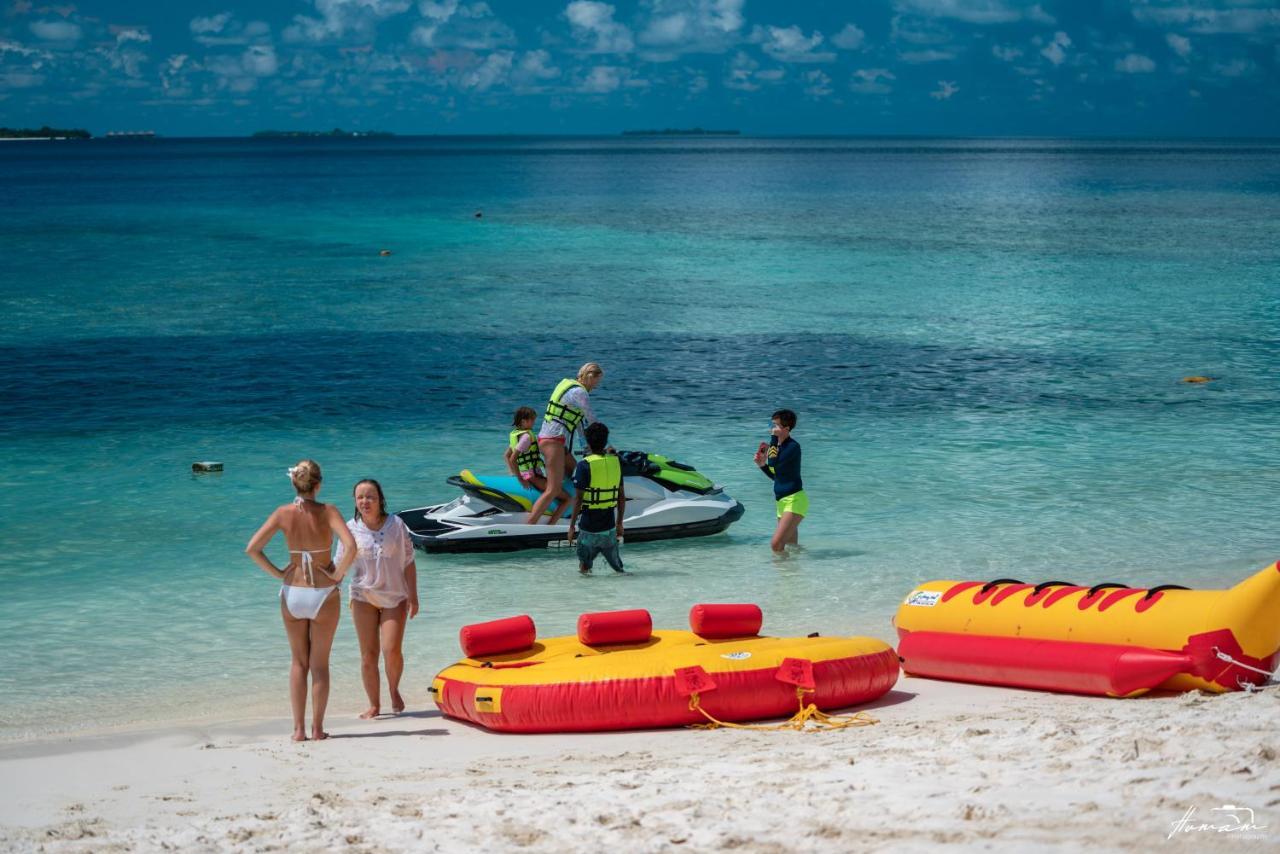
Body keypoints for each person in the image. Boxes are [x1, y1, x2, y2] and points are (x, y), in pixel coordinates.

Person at [246, 459, 358, 742]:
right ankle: (318, 729)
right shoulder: (328, 511)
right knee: (319, 665)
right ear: (318, 485)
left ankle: (298, 730)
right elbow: (351, 546)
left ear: (294, 483)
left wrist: (278, 573)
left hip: (293, 592)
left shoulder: (283, 513)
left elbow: (253, 549)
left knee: (298, 663)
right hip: (323, 592)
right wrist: (337, 575)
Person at [335, 479, 419, 719]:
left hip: (395, 596)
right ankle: (374, 704)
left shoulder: (396, 525)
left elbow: (409, 562)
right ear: (355, 502)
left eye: (370, 496)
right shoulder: (349, 529)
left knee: (391, 650)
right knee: (368, 654)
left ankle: (393, 690)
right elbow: (339, 567)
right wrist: (326, 592)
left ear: (380, 499)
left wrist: (414, 595)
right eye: (360, 497)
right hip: (362, 596)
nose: (365, 501)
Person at [526, 362, 604, 525]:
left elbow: (581, 425)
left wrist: (587, 448)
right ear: (591, 377)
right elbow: (591, 419)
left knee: (578, 473)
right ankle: (529, 525)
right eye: (598, 381)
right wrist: (605, 444)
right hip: (552, 442)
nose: (597, 386)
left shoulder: (569, 387)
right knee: (553, 489)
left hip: (555, 442)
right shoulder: (580, 393)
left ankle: (558, 521)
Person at [567, 422, 627, 575]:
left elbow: (578, 500)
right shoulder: (616, 462)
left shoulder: (584, 465)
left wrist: (572, 526)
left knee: (585, 568)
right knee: (618, 570)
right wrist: (620, 523)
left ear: (587, 442)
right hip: (609, 529)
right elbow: (621, 497)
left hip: (588, 529)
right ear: (606, 440)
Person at [754, 409, 806, 553]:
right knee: (790, 546)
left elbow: (772, 461)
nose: (773, 429)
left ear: (787, 429)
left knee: (776, 544)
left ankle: (786, 571)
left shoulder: (792, 447)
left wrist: (773, 440)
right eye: (773, 425)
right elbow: (777, 477)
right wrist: (762, 466)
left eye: (776, 426)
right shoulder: (778, 447)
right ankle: (790, 573)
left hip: (794, 500)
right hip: (781, 502)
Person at [505, 406, 570, 523]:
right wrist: (520, 479)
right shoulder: (525, 437)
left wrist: (513, 473)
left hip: (528, 475)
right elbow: (513, 459)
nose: (534, 423)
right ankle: (550, 525)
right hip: (532, 477)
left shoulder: (516, 434)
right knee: (566, 498)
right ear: (523, 421)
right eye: (532, 420)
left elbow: (506, 456)